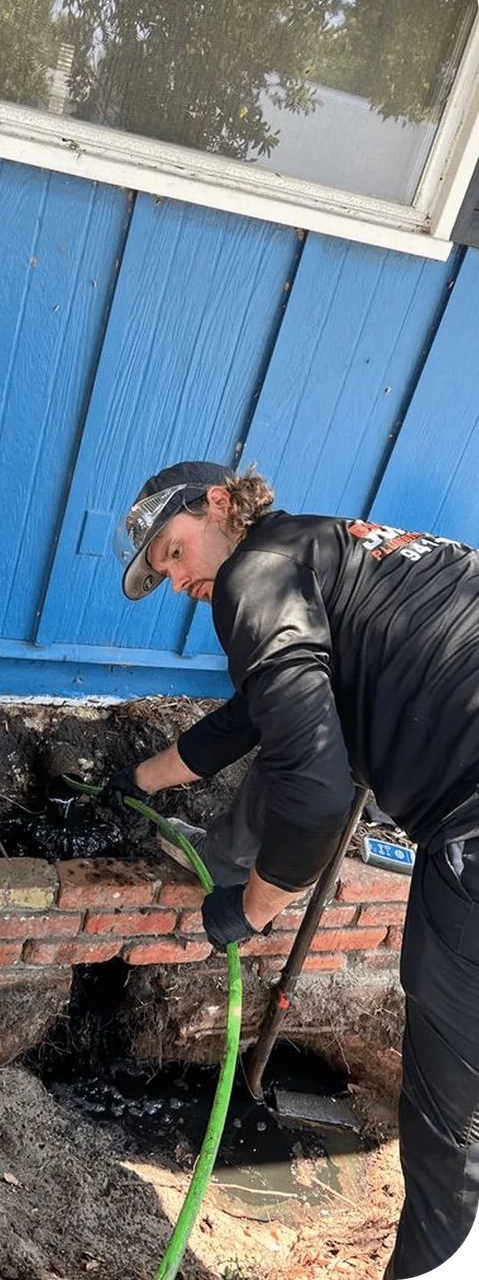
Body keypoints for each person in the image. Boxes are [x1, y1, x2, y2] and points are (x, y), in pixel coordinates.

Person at [109, 459, 479, 1279]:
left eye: (173, 552)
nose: (177, 581)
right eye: (161, 570)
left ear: (217, 503)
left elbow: (314, 795)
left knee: (451, 1110)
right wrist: (135, 781)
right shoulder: (316, 550)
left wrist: (254, 907)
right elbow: (249, 718)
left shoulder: (254, 574)